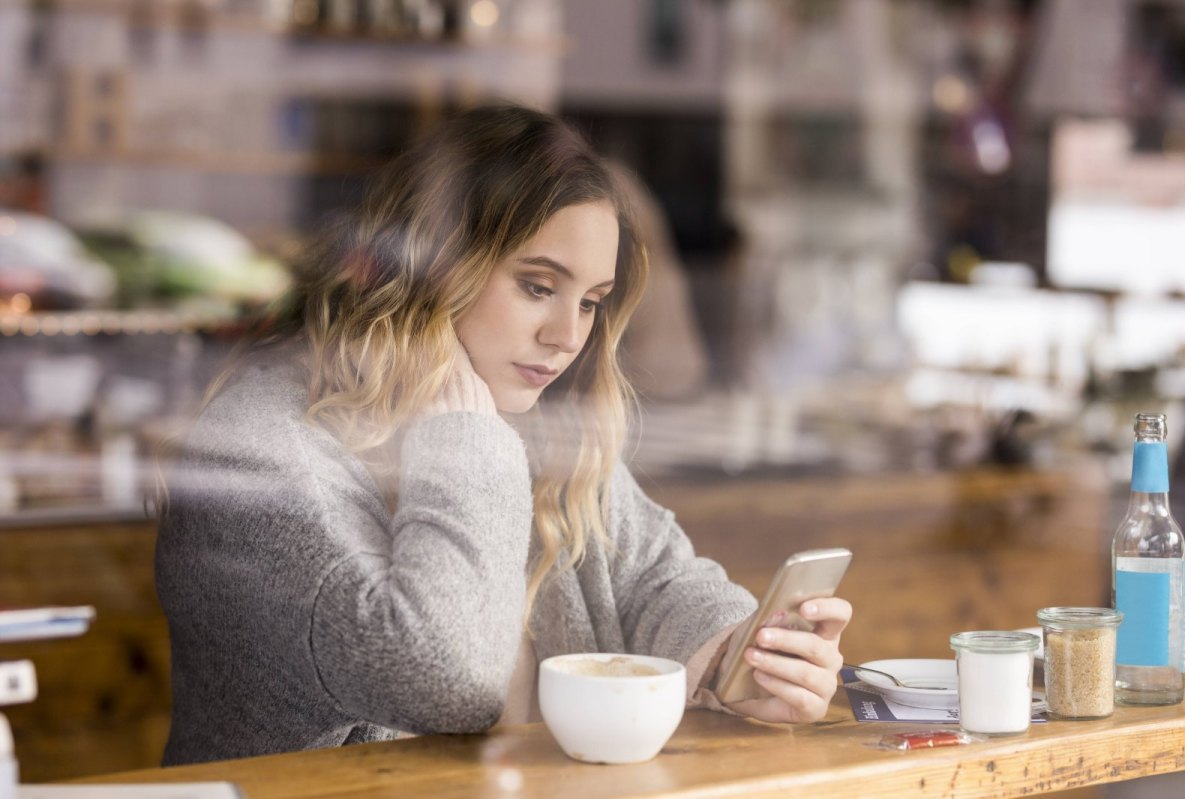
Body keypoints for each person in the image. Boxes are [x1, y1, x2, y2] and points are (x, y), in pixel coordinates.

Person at [154, 104, 853, 765]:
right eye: (538, 286)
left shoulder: (514, 415)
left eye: (589, 302)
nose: (567, 336)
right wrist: (462, 442)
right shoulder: (262, 449)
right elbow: (446, 675)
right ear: (431, 265)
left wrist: (731, 652)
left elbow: (654, 575)